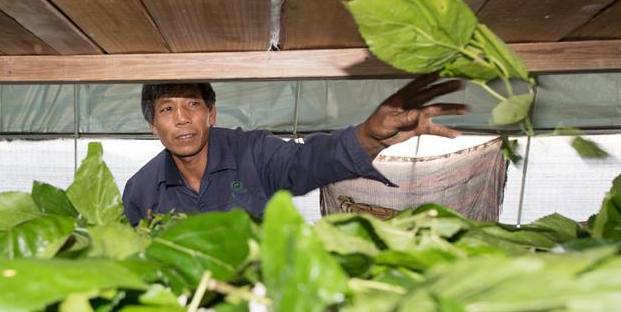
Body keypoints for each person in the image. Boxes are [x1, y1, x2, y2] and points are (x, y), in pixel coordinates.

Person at [122, 74, 467, 226]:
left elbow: (308, 162)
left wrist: (368, 135)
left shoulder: (253, 153)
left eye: (192, 105)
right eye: (167, 109)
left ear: (211, 114)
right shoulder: (140, 190)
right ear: (153, 125)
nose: (182, 119)